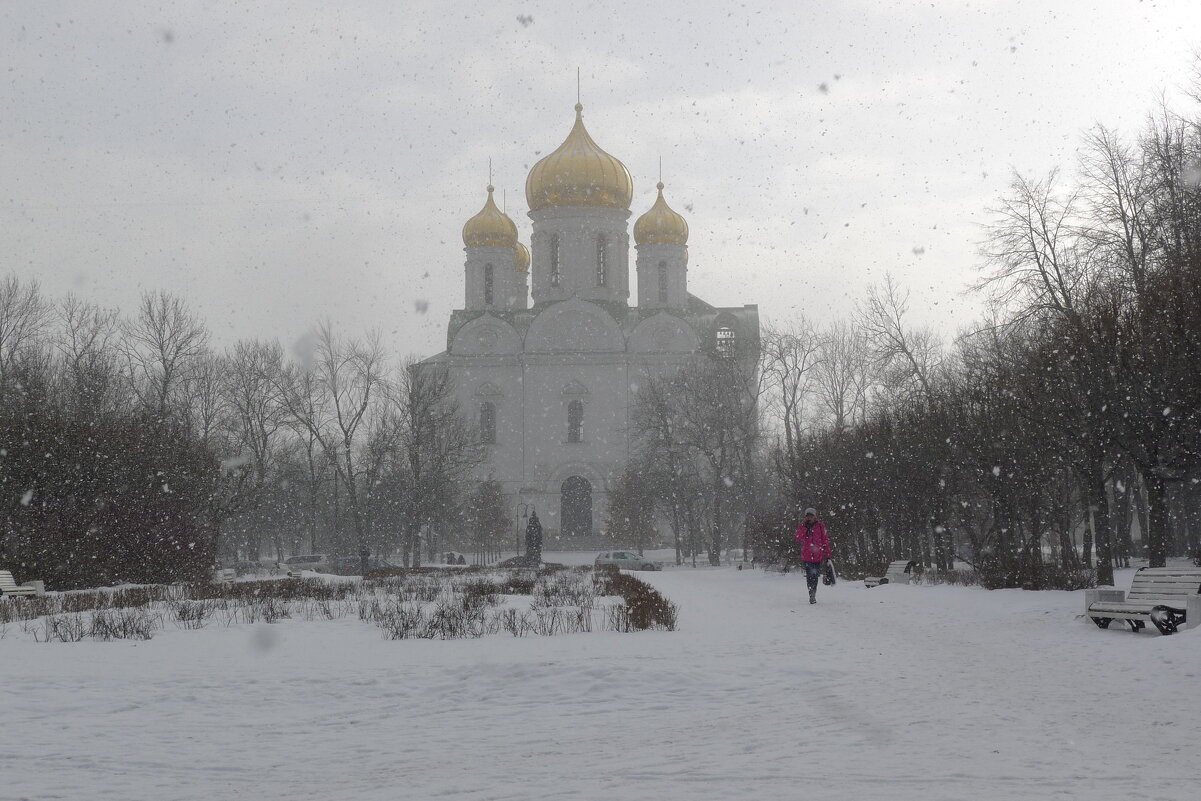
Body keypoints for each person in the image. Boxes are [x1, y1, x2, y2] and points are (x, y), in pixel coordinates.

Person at [794, 507, 831, 604]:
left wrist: (827, 554)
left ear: (815, 516)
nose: (809, 517)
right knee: (810, 575)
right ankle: (811, 594)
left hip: (817, 555)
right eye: (808, 516)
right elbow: (797, 537)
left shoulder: (820, 526)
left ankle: (813, 592)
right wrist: (804, 528)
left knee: (815, 576)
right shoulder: (802, 526)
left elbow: (825, 540)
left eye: (811, 515)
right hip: (807, 556)